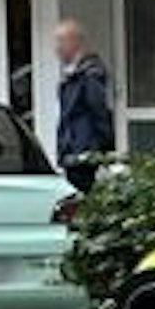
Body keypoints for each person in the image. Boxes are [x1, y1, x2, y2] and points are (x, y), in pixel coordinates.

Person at [54, 20, 115, 192]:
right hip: (72, 150)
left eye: (60, 41)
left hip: (83, 151)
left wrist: (103, 147)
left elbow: (98, 111)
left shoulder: (90, 75)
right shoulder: (72, 75)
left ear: (73, 42)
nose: (56, 48)